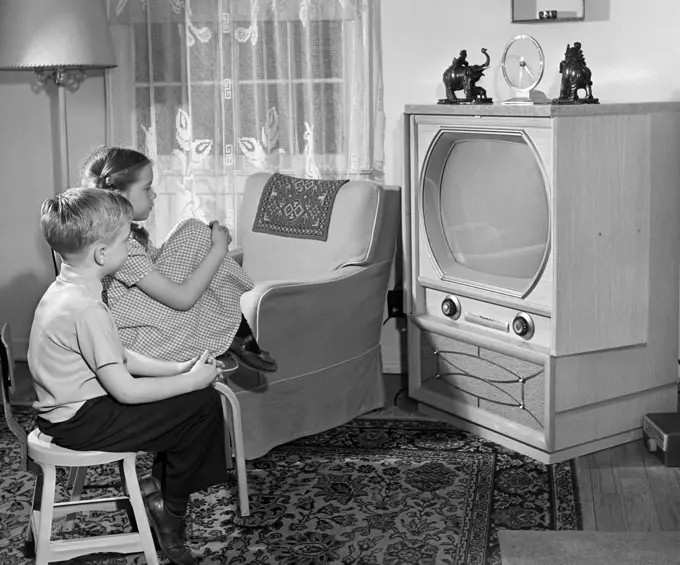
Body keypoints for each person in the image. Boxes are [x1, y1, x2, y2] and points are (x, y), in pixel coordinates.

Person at [28, 188, 230, 565]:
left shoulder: (67, 289)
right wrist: (192, 382)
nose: (130, 244)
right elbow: (125, 391)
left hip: (67, 413)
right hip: (81, 420)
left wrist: (178, 368)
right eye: (126, 239)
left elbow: (117, 355)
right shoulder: (86, 307)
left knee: (190, 400)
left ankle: (163, 492)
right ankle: (170, 509)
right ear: (102, 254)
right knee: (202, 405)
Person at [79, 145, 277, 372]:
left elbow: (163, 266)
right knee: (195, 232)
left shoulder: (119, 237)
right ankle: (236, 332)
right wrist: (218, 249)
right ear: (120, 195)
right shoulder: (119, 247)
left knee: (193, 230)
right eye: (147, 188)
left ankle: (235, 332)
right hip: (139, 340)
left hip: (147, 323)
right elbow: (182, 299)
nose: (154, 194)